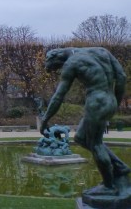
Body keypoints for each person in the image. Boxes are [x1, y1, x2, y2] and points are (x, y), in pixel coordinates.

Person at [41, 47, 129, 196]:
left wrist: (45, 119)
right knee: (80, 138)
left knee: (95, 144)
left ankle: (108, 186)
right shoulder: (101, 51)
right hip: (109, 99)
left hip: (97, 102)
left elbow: (59, 96)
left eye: (57, 67)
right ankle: (120, 167)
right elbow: (121, 76)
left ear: (57, 58)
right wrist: (115, 101)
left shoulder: (71, 63)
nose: (59, 69)